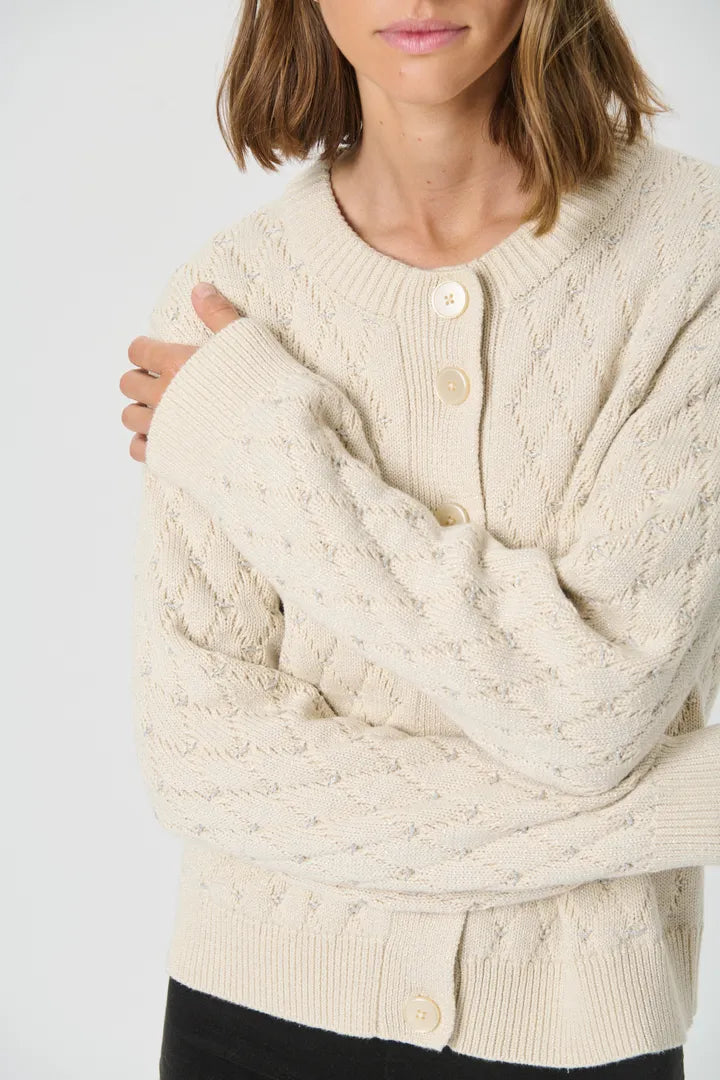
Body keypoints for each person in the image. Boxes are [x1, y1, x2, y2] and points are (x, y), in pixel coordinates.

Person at [118, 1, 720, 1077]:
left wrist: (269, 454)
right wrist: (679, 805)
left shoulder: (692, 253)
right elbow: (204, 763)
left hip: (581, 1031)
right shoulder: (227, 303)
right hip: (250, 1021)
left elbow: (593, 715)